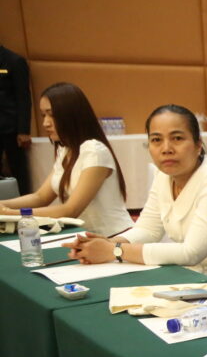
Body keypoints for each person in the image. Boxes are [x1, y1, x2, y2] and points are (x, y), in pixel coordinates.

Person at [66, 105, 207, 287]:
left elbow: (191, 253)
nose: (166, 148)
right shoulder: (164, 176)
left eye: (177, 138)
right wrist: (106, 243)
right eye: (156, 140)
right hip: (186, 279)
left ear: (198, 145)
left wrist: (114, 251)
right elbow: (148, 229)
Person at [0, 82, 133, 236]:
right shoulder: (65, 149)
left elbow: (70, 210)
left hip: (113, 236)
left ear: (72, 115)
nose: (45, 123)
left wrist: (10, 213)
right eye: (43, 115)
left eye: (52, 115)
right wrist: (3, 204)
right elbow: (41, 197)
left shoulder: (94, 150)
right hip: (84, 236)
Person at [0, 43, 31, 195]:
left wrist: (23, 130)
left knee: (19, 172)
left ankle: (26, 203)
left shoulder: (14, 61)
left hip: (10, 128)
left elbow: (23, 97)